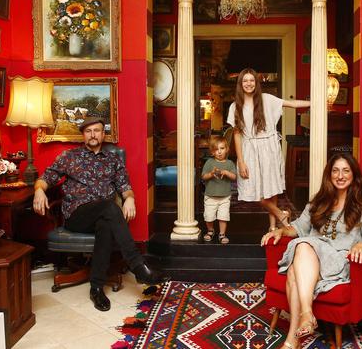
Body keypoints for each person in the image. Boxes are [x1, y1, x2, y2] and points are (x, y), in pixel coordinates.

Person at [33, 117, 168, 312]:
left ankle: (96, 288)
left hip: (104, 215)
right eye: (88, 131)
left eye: (96, 130)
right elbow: (45, 179)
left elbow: (125, 187)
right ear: (83, 135)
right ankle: (138, 267)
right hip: (77, 216)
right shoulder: (69, 157)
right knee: (109, 207)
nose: (93, 134)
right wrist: (38, 190)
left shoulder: (113, 160)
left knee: (106, 222)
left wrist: (129, 198)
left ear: (103, 134)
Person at [260, 152, 362, 349]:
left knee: (302, 247)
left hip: (339, 260)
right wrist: (280, 231)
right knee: (298, 259)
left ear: (354, 174)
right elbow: (298, 228)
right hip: (310, 258)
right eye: (335, 171)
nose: (340, 176)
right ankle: (294, 339)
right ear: (329, 174)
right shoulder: (319, 200)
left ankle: (305, 317)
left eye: (345, 171)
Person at [227, 68, 311, 232]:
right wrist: (241, 161)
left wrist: (315, 102)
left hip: (270, 147)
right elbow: (236, 135)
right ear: (240, 84)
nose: (249, 83)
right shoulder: (234, 106)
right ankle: (281, 215)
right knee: (254, 191)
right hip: (249, 149)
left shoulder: (266, 99)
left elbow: (291, 104)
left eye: (252, 80)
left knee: (271, 188)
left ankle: (272, 227)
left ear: (256, 83)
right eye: (245, 80)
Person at [201, 136, 237, 244]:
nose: (219, 152)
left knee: (223, 216)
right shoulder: (209, 163)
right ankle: (210, 231)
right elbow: (203, 177)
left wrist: (226, 172)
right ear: (212, 152)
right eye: (216, 149)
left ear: (227, 149)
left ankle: (222, 234)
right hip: (210, 196)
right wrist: (211, 174)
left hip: (225, 197)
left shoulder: (229, 163)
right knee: (209, 216)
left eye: (222, 148)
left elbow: (234, 177)